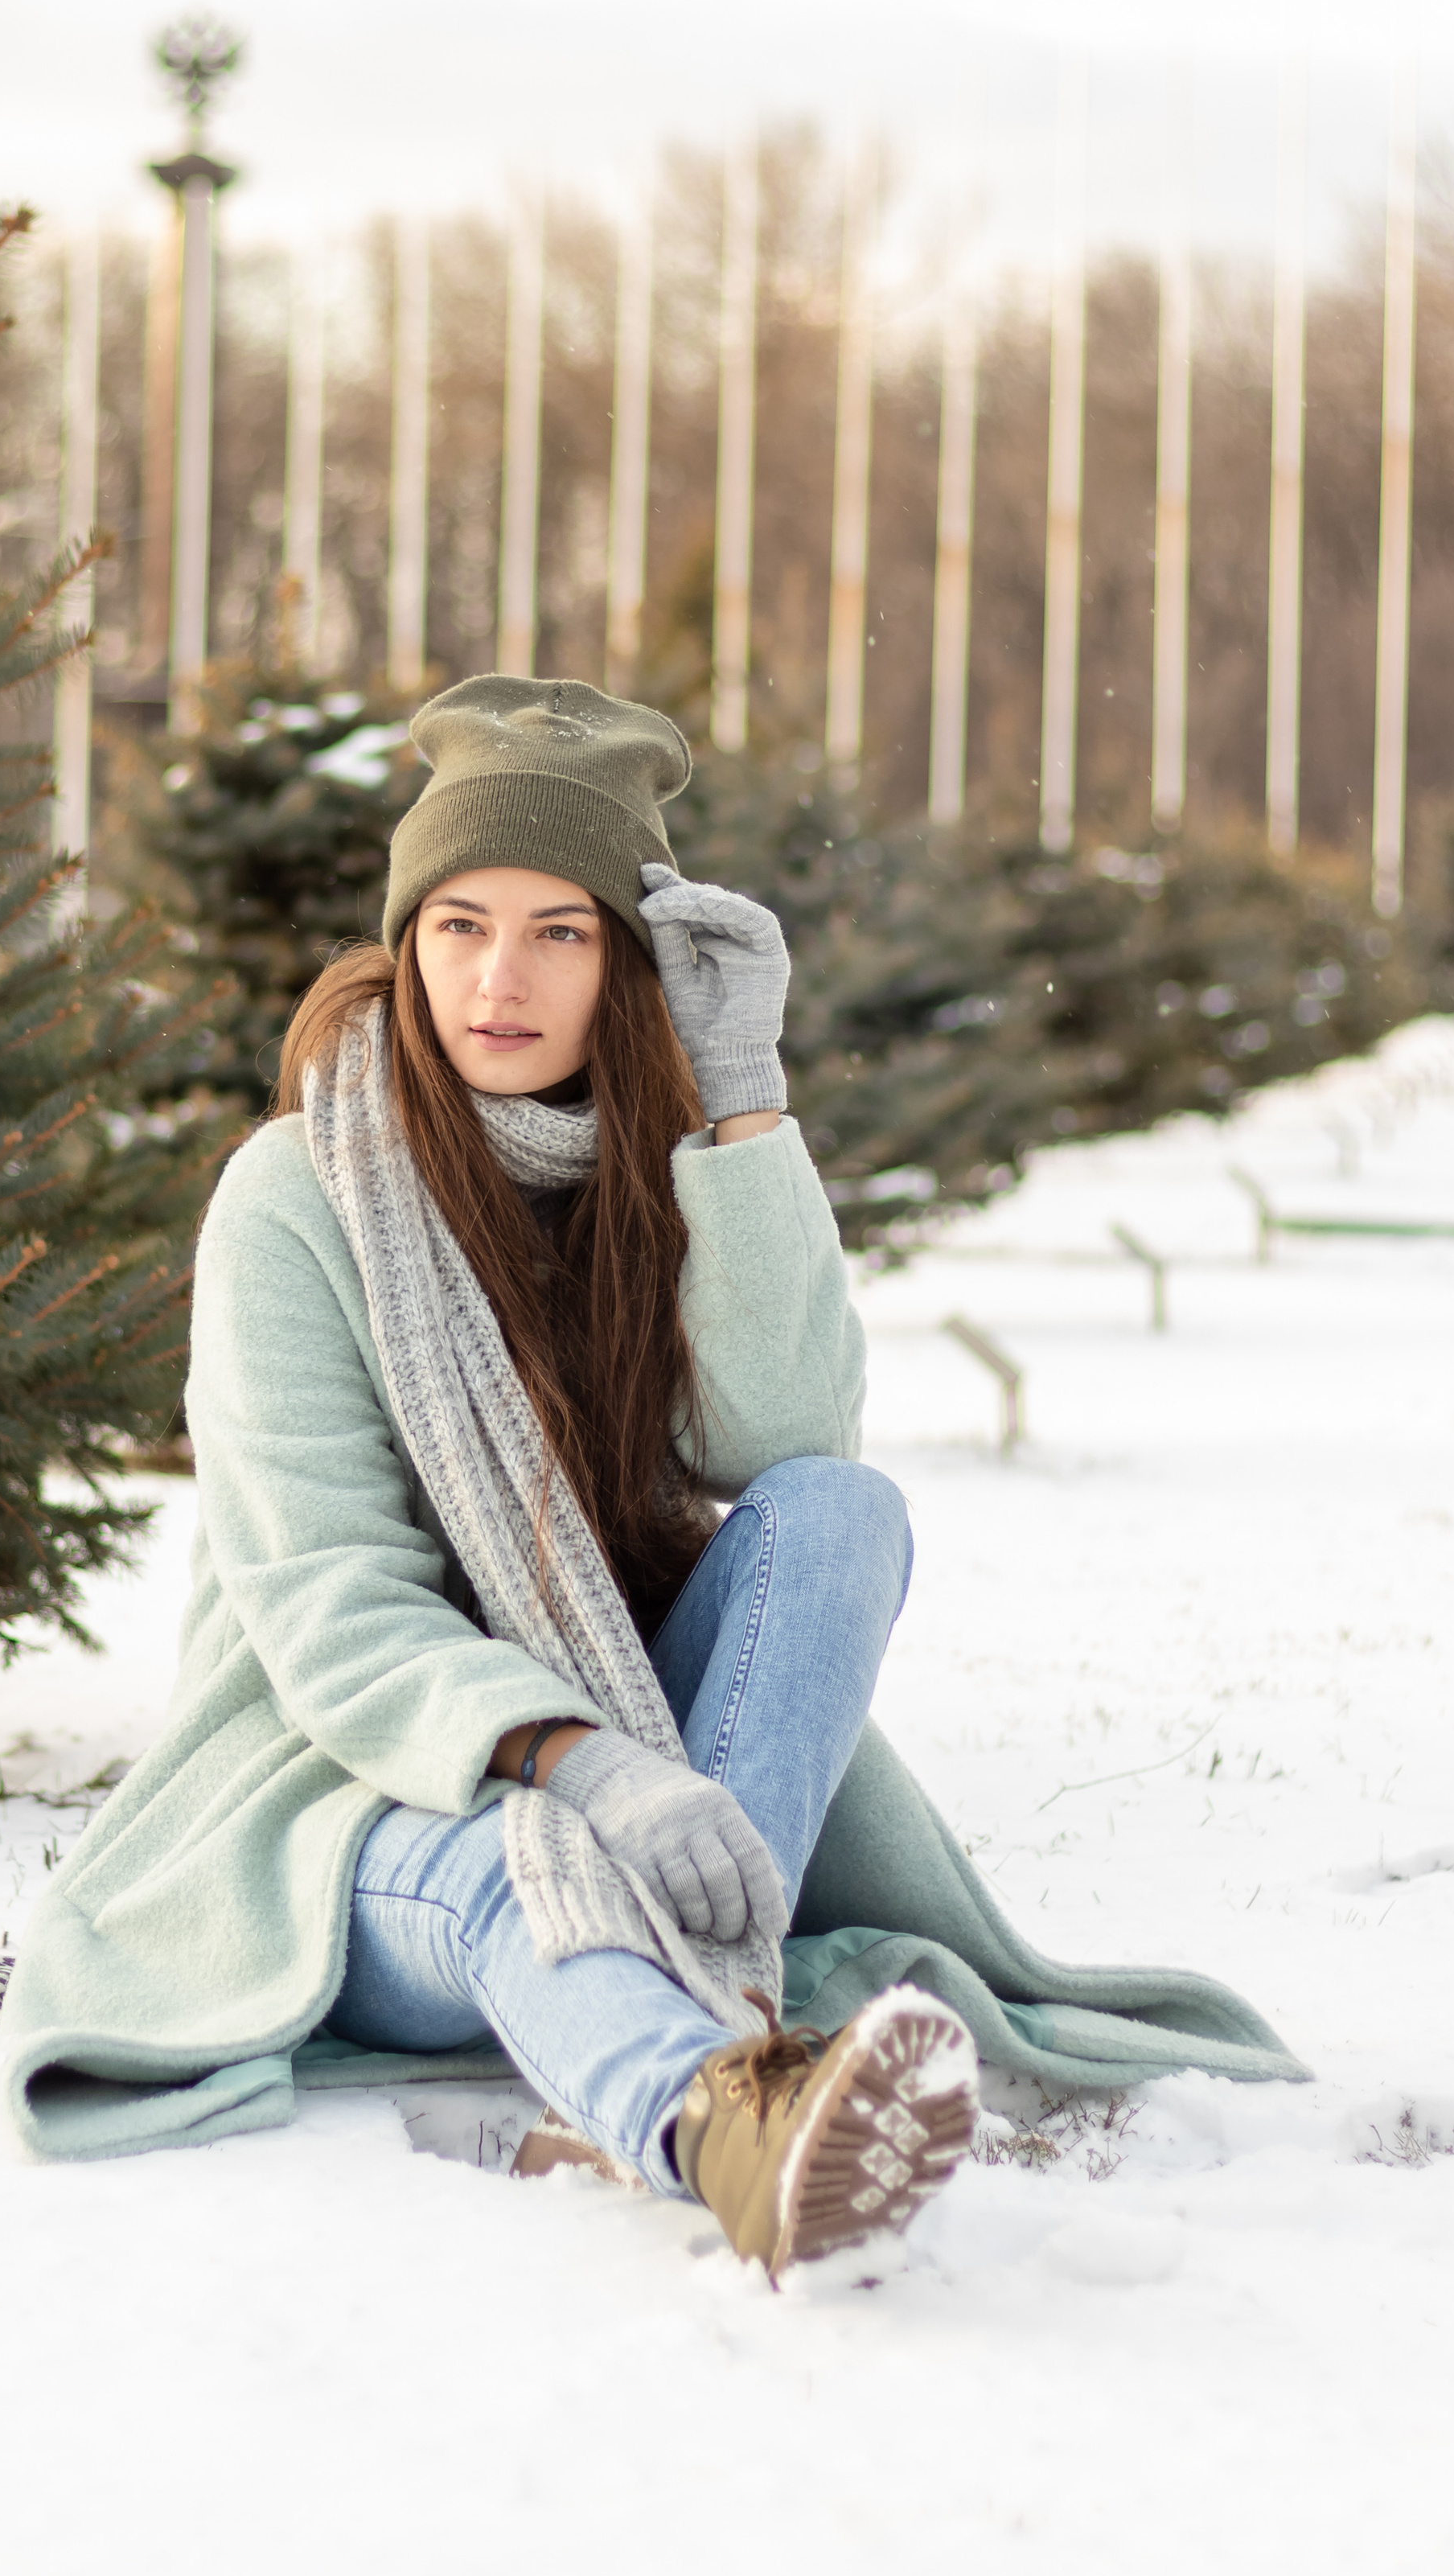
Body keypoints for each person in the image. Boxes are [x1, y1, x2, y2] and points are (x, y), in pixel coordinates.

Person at [97, 676, 984, 2274]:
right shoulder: (295, 1196)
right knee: (531, 1865)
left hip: (631, 1727)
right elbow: (323, 1602)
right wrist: (583, 1764)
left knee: (844, 1515)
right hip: (349, 1796)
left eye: (558, 932)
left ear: (621, 962)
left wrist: (743, 1101)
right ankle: (725, 2121)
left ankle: (703, 2007)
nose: (496, 979)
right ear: (403, 940)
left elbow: (779, 1450)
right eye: (456, 926)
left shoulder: (664, 1174)